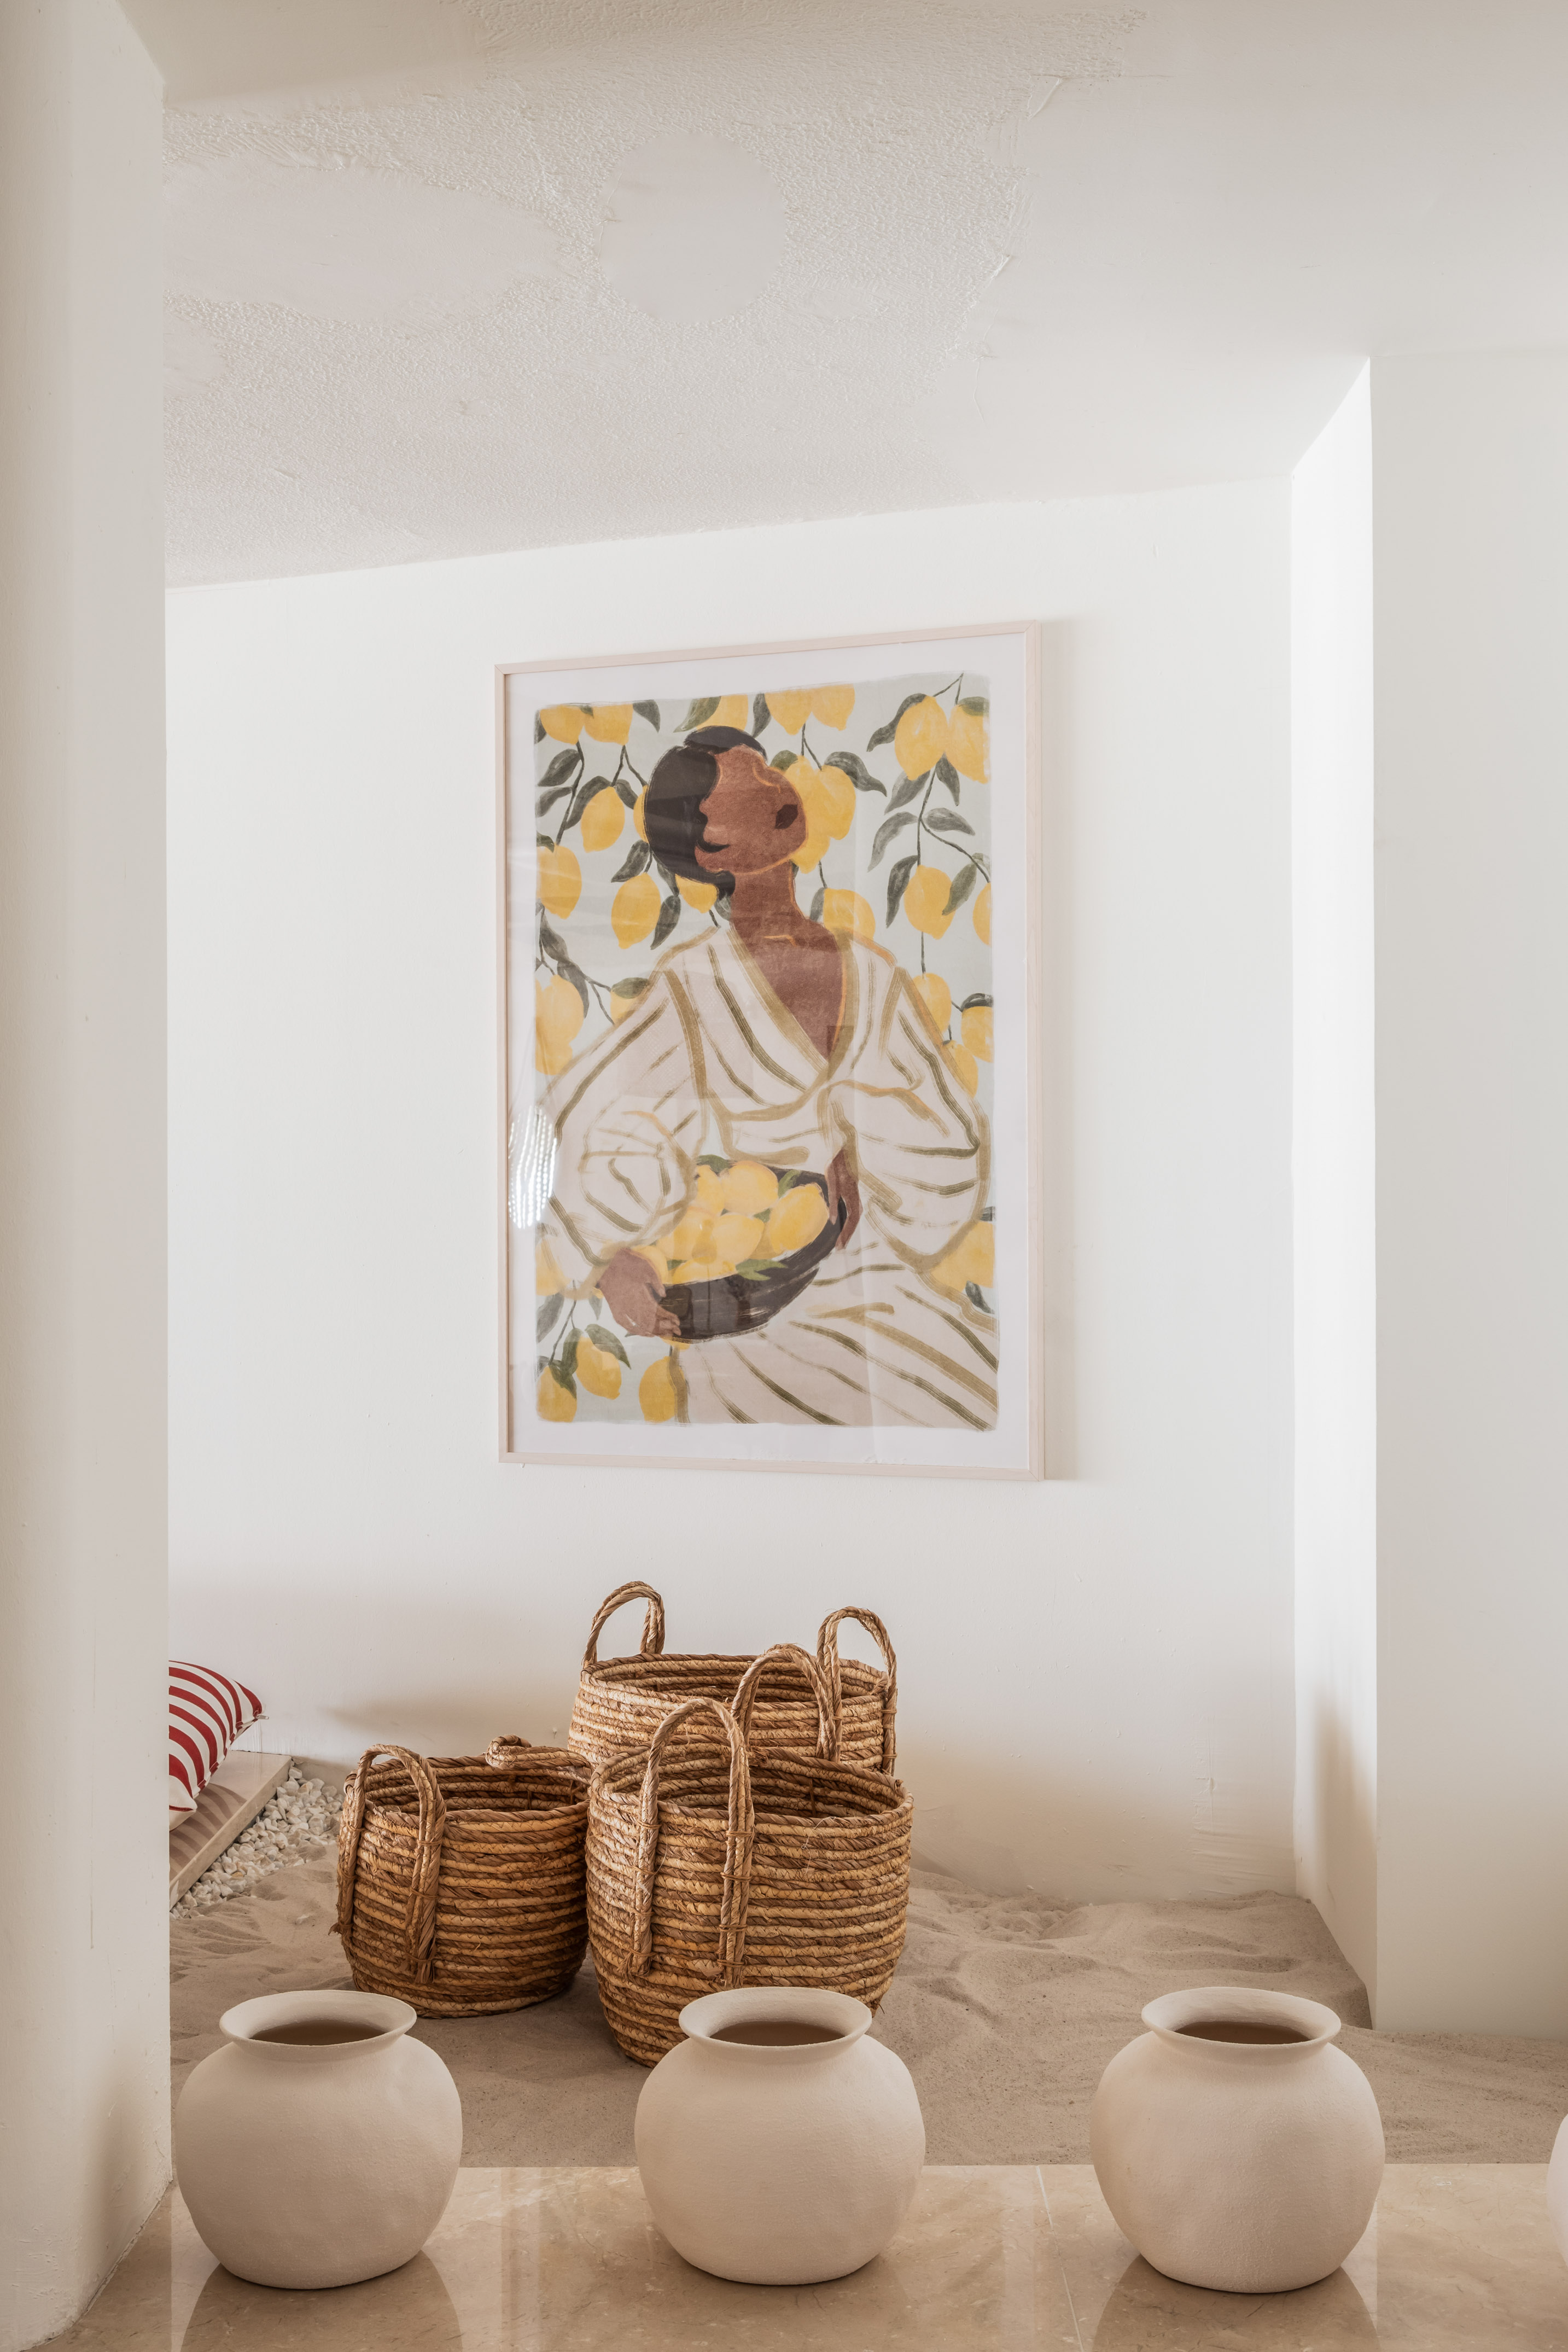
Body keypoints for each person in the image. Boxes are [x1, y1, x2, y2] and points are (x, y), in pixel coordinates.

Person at [539, 725, 996, 1428]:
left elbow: (951, 1148)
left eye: (766, 771)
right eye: (744, 790)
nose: (777, 789)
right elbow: (592, 1120)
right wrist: (611, 1261)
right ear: (709, 850)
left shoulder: (871, 973)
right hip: (753, 1316)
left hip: (880, 1277)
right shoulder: (695, 986)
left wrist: (866, 1151)